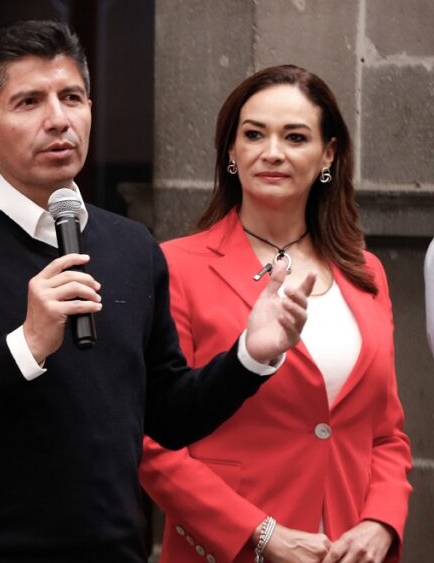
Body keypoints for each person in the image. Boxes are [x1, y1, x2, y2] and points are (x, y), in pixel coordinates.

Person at [0, 20, 316, 562]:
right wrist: (25, 346)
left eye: (72, 97)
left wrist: (250, 357)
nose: (58, 120)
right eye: (29, 102)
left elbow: (169, 416)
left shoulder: (130, 245)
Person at [138, 65, 412, 563]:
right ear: (230, 151)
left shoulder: (365, 272)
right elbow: (151, 440)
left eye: (295, 136)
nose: (272, 152)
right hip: (234, 551)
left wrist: (381, 521)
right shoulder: (175, 266)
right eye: (253, 134)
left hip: (348, 549)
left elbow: (386, 433)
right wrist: (261, 534)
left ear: (328, 153)